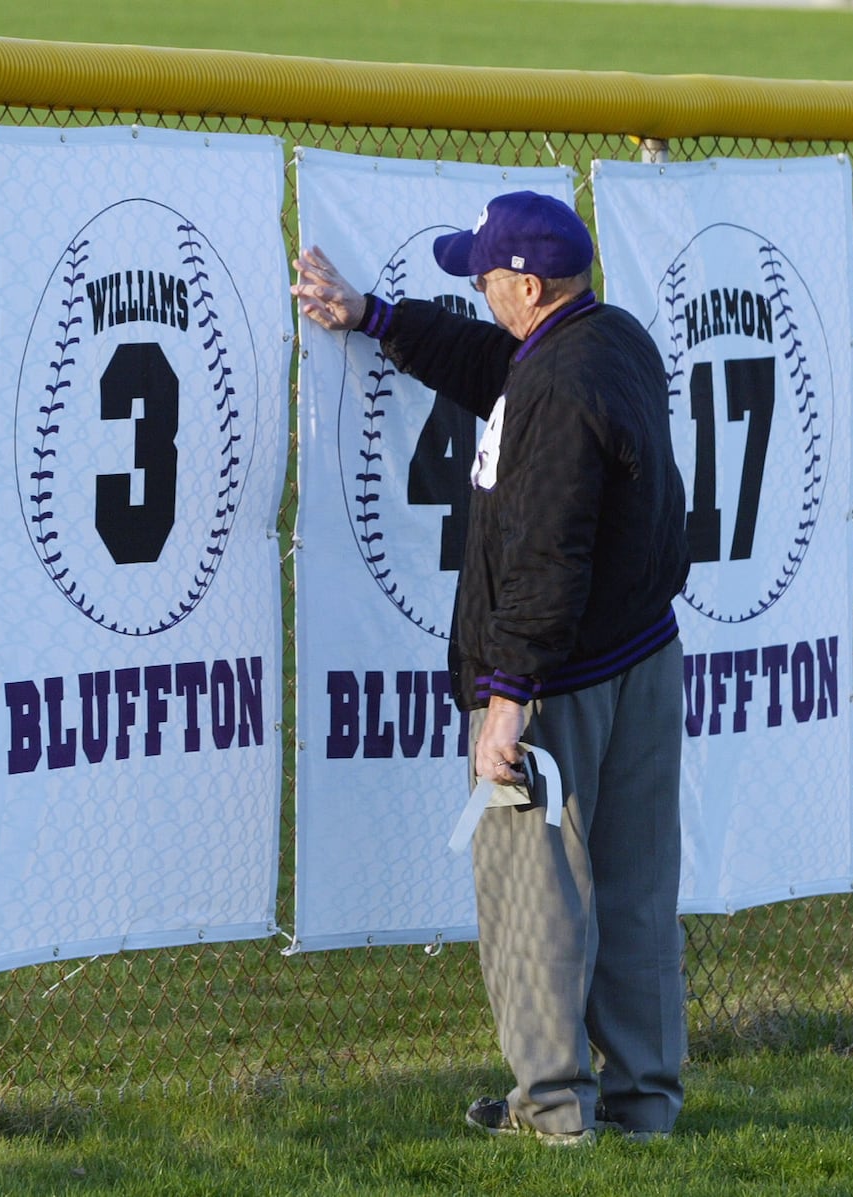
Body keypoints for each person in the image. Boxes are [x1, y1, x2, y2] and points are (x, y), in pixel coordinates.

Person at [293, 190, 690, 1146]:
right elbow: (496, 368)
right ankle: (644, 1106)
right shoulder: (609, 340)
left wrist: (504, 701)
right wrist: (376, 318)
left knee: (532, 891)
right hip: (641, 659)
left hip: (556, 685)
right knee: (635, 895)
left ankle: (552, 1111)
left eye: (484, 273)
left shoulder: (553, 389)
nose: (475, 284)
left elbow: (547, 554)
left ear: (526, 283)